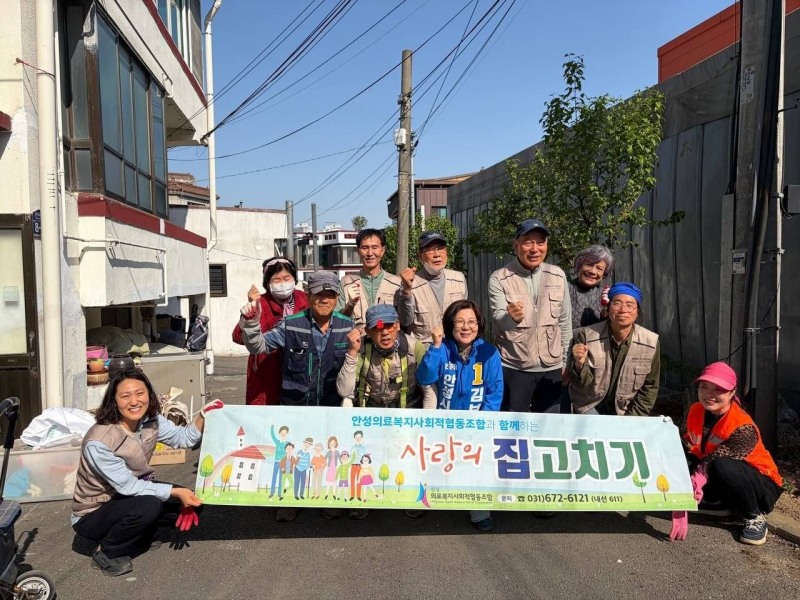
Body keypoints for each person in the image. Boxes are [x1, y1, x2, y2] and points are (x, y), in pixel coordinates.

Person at [71, 370, 223, 577]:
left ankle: (139, 535)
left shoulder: (151, 421)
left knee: (193, 502)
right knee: (150, 505)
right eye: (125, 396)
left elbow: (183, 438)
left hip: (128, 497)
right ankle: (107, 551)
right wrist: (176, 492)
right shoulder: (100, 441)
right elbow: (129, 486)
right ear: (114, 401)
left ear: (149, 395)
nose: (134, 401)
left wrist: (203, 416)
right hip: (94, 512)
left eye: (140, 393)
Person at [239, 270, 353, 521]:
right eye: (319, 294)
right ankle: (289, 500)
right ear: (308, 295)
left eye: (330, 294)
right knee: (292, 457)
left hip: (331, 405)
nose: (324, 299)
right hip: (295, 405)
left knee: (328, 458)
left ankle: (329, 498)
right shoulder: (291, 324)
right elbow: (257, 346)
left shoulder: (348, 326)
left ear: (337, 297)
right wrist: (251, 323)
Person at [335, 304, 434, 520]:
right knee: (364, 457)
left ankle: (411, 496)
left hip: (406, 411)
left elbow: (429, 388)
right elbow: (344, 390)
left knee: (409, 458)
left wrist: (427, 422)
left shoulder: (414, 347)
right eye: (377, 329)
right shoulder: (361, 348)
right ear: (368, 331)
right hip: (371, 411)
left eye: (389, 326)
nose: (385, 333)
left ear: (398, 325)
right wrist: (352, 352)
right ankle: (360, 498)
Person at [670, 362, 783, 545]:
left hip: (761, 485)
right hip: (715, 471)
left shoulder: (743, 426)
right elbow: (688, 443)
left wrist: (696, 478)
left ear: (732, 392)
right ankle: (719, 503)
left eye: (718, 389)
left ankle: (754, 516)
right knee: (680, 456)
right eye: (704, 386)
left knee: (722, 465)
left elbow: (714, 460)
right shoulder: (695, 410)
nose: (709, 394)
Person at [417, 300, 503, 532]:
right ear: (450, 324)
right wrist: (435, 347)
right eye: (460, 322)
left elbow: (494, 392)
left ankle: (479, 509)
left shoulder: (489, 352)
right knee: (433, 461)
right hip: (443, 422)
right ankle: (423, 498)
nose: (466, 327)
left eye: (472, 322)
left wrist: (484, 422)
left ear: (479, 325)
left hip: (475, 423)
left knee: (476, 465)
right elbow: (425, 377)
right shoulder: (443, 348)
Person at [488, 219, 571, 413]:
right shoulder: (500, 278)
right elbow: (499, 320)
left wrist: (565, 361)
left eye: (540, 242)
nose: (535, 249)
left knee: (549, 424)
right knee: (514, 425)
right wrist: (511, 318)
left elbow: (564, 322)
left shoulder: (557, 275)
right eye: (528, 243)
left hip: (552, 367)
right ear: (516, 245)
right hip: (514, 366)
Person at [567, 282, 660, 416]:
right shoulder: (586, 335)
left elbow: (650, 386)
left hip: (626, 411)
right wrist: (579, 364)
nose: (623, 310)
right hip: (588, 406)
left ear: (637, 312)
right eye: (617, 303)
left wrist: (633, 418)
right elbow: (581, 384)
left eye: (630, 305)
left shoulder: (650, 342)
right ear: (608, 308)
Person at [232, 256, 308, 405]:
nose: (283, 283)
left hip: (300, 370)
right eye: (276, 280)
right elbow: (238, 337)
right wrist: (250, 309)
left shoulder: (305, 299)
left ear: (294, 279)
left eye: (286, 278)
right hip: (266, 372)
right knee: (264, 413)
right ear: (268, 283)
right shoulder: (261, 303)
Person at [398, 231, 467, 345]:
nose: (437, 254)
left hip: (454, 348)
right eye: (430, 249)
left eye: (440, 248)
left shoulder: (458, 279)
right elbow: (405, 321)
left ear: (446, 252)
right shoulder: (410, 282)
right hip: (424, 350)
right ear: (420, 256)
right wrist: (406, 291)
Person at [337, 229, 402, 329]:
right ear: (358, 251)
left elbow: (404, 321)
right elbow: (337, 321)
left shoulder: (396, 283)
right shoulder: (346, 283)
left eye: (375, 247)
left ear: (382, 250)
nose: (370, 253)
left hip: (386, 337)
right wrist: (350, 304)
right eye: (365, 248)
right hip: (356, 338)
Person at [568, 245, 614, 330]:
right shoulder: (564, 289)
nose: (593, 271)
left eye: (599, 268)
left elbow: (610, 328)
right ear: (579, 266)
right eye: (589, 265)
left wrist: (606, 309)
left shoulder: (606, 295)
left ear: (604, 273)